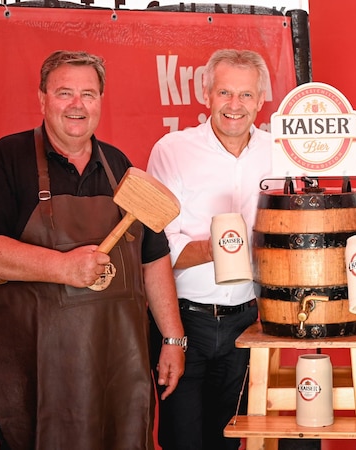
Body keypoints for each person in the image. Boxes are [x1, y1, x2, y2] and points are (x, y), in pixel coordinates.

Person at [0, 50, 185, 450]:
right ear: (42, 98)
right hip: (40, 375)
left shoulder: (119, 167)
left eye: (88, 94)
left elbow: (153, 256)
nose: (77, 105)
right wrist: (61, 267)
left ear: (100, 101)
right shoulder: (9, 159)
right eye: (64, 93)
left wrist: (173, 338)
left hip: (120, 374)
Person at [146, 49, 271, 450]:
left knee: (230, 439)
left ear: (261, 99)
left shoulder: (278, 152)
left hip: (249, 322)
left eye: (246, 95)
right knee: (182, 440)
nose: (235, 106)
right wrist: (226, 247)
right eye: (225, 93)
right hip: (184, 323)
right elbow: (158, 246)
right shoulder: (171, 150)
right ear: (207, 95)